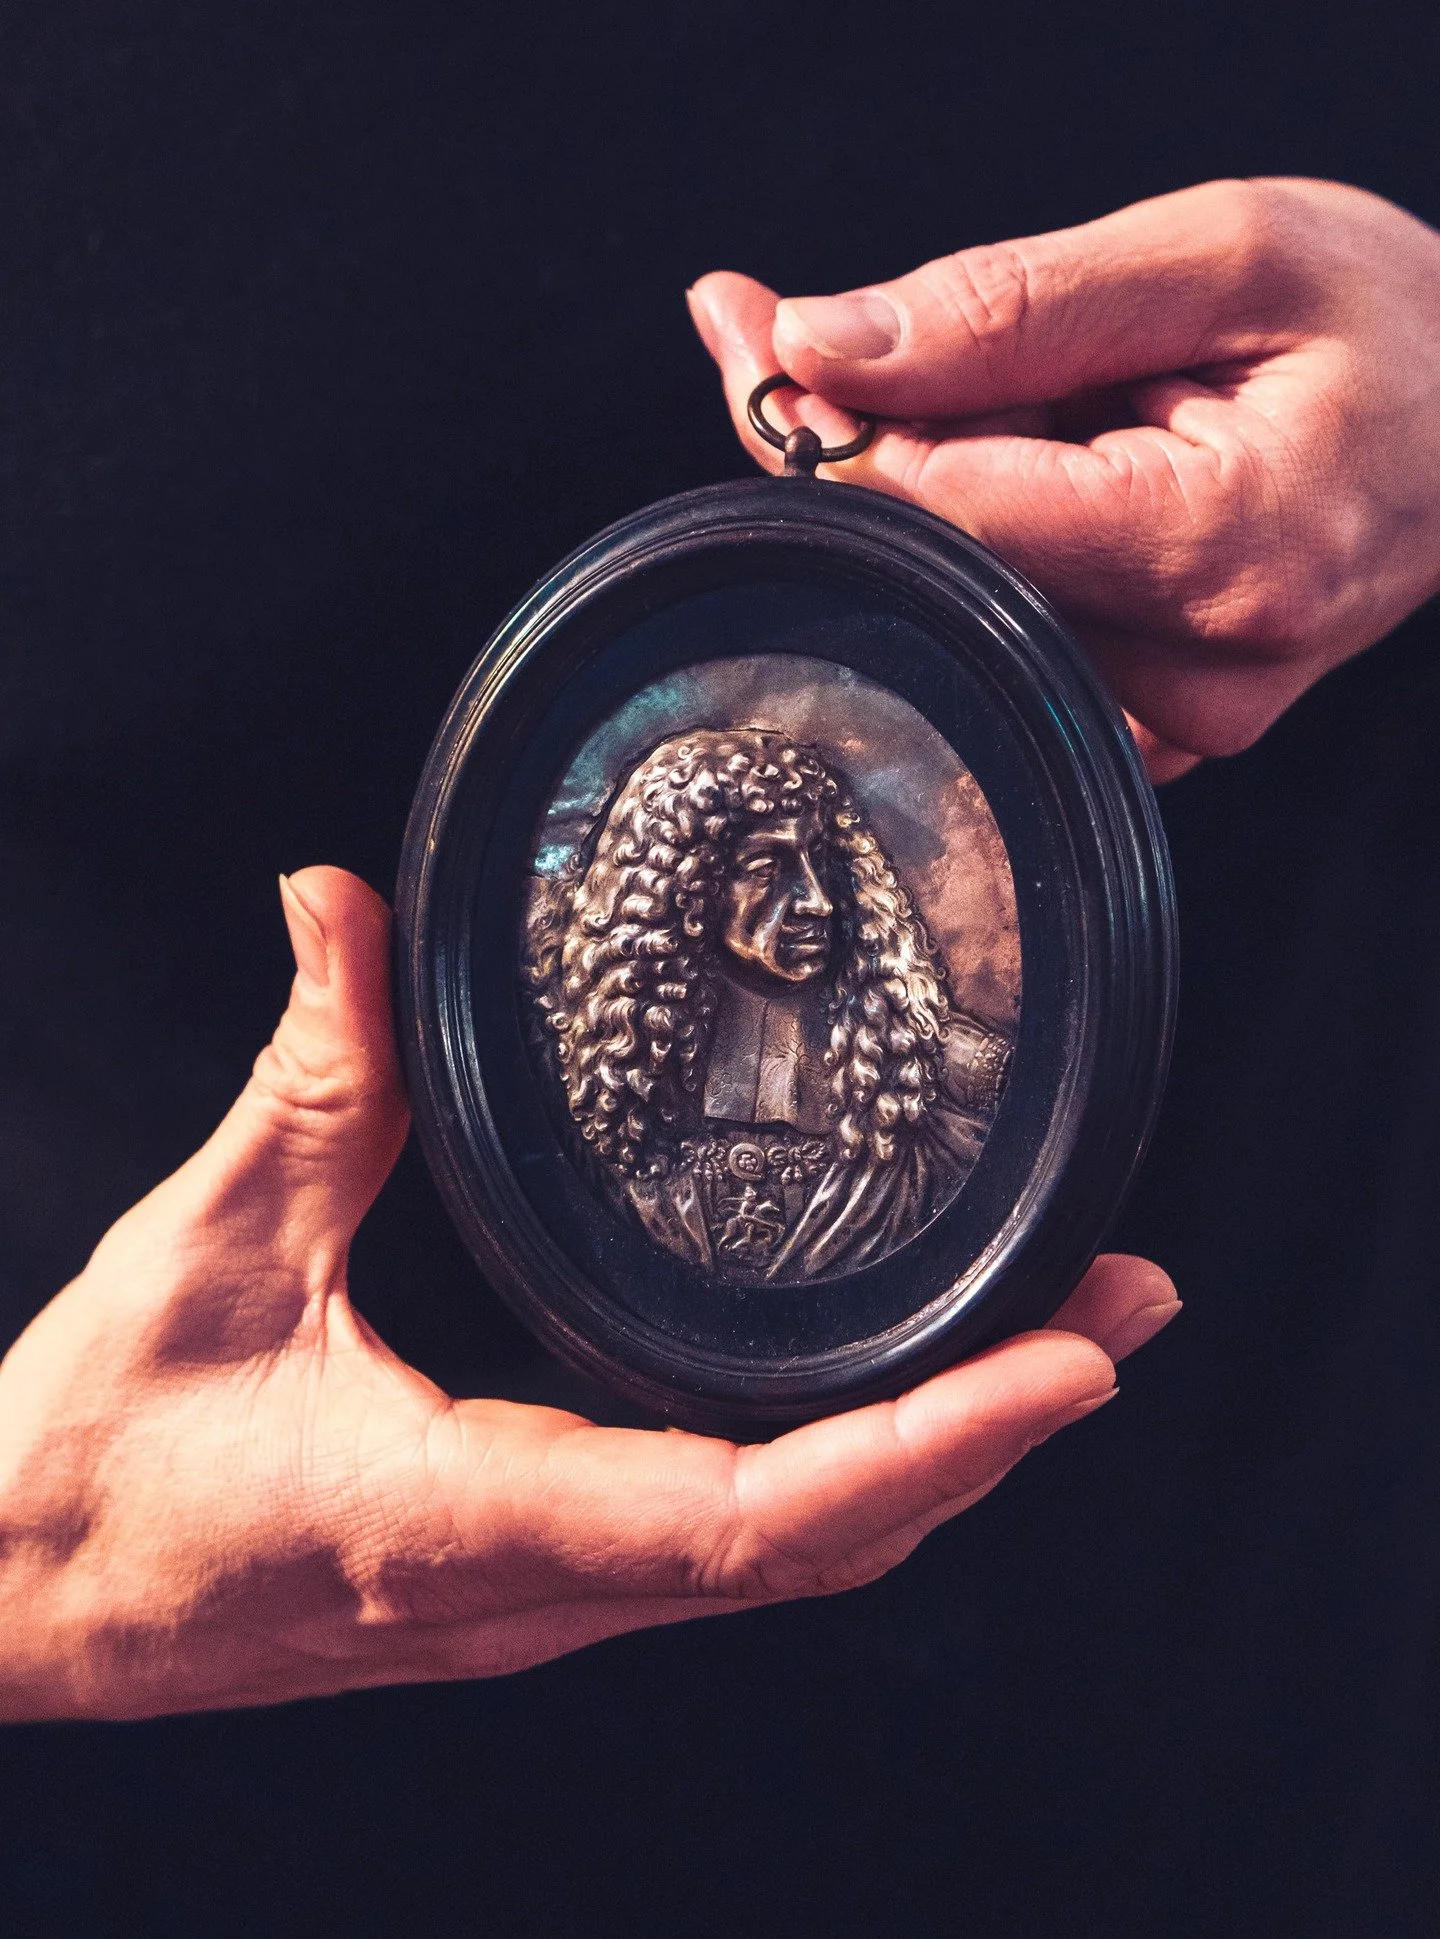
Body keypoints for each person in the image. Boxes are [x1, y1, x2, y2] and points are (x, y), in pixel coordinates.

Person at [2, 173, 1436, 1723]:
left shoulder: (933, 1106)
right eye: (763, 870)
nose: (814, 900)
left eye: (831, 863)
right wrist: (41, 1564)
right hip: (278, 1729)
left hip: (1238, 1595)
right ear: (670, 894)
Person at [523, 726, 1010, 1278]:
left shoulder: (943, 1082)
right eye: (767, 870)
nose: (819, 902)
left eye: (818, 862)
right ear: (686, 892)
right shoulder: (579, 1094)